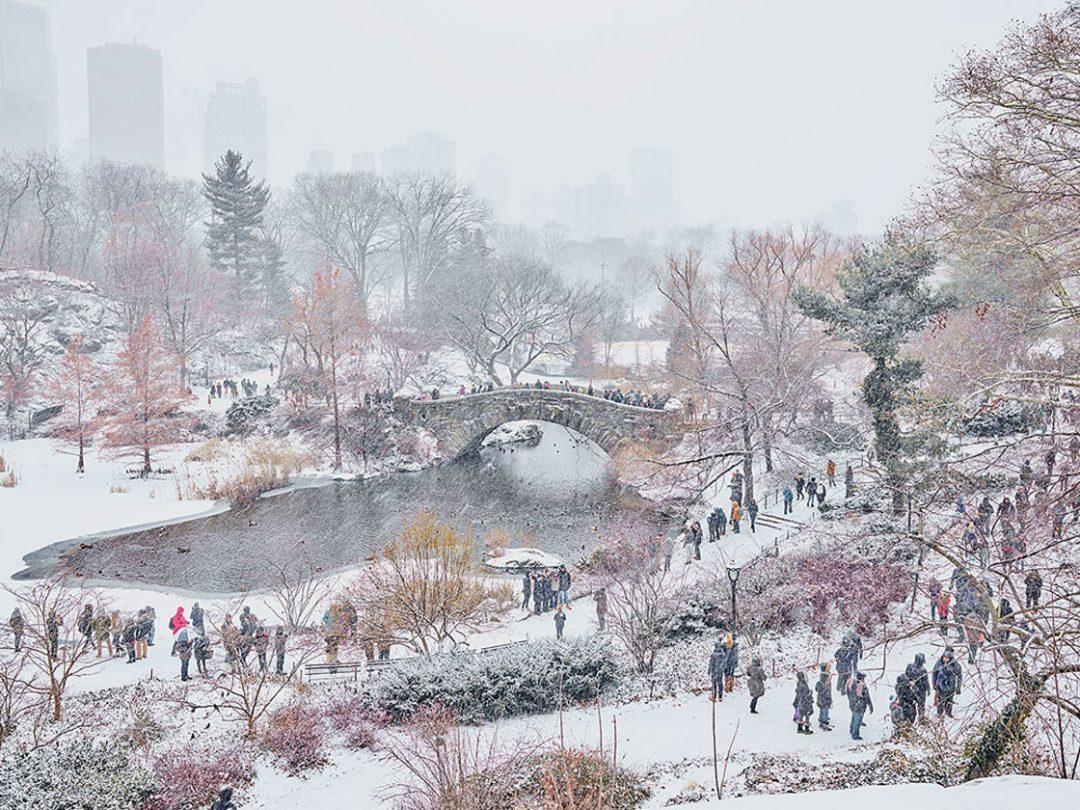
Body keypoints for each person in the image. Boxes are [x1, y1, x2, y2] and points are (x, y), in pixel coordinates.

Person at [932, 647, 962, 718]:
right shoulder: (939, 663)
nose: (945, 659)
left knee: (949, 701)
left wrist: (958, 687)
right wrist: (934, 683)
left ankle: (948, 713)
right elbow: (934, 673)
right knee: (940, 701)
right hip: (940, 686)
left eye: (947, 658)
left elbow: (959, 677)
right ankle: (939, 713)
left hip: (951, 687)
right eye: (944, 657)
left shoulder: (955, 665)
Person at [847, 671, 873, 740]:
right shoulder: (862, 686)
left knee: (854, 717)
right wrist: (870, 706)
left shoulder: (851, 683)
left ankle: (851, 730)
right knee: (857, 720)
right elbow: (867, 697)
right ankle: (855, 735)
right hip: (860, 706)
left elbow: (848, 693)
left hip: (852, 704)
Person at [905, 653, 929, 720]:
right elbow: (926, 681)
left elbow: (905, 676)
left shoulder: (909, 666)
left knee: (912, 704)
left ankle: (913, 717)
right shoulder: (923, 670)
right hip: (919, 690)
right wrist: (928, 689)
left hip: (912, 689)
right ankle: (920, 717)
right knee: (920, 705)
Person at [815, 663, 833, 731]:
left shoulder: (819, 682)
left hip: (820, 700)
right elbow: (827, 693)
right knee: (825, 711)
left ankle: (821, 721)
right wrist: (829, 700)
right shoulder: (825, 684)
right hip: (825, 700)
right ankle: (824, 723)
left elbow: (816, 689)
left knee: (822, 710)